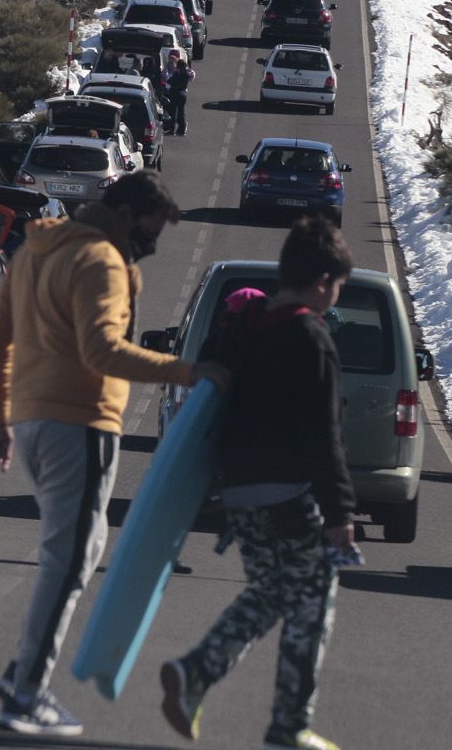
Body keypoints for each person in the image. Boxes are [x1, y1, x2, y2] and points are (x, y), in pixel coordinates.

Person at [0, 172, 227, 737]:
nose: (153, 245)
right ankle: (28, 693)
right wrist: (189, 371)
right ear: (129, 212)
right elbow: (101, 350)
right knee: (69, 561)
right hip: (81, 422)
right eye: (152, 230)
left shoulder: (37, 249)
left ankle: (24, 670)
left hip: (34, 419)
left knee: (71, 556)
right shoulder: (103, 262)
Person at [159, 215, 360, 750]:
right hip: (290, 493)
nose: (331, 299)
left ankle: (201, 677)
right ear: (322, 282)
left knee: (274, 591)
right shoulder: (309, 336)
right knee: (313, 598)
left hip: (240, 491)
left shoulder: (244, 326)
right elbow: (323, 434)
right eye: (335, 288)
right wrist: (340, 515)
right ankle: (282, 724)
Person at [165, 52, 195, 137]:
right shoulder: (186, 74)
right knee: (181, 112)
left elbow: (169, 81)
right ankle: (182, 129)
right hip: (183, 94)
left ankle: (172, 130)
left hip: (175, 94)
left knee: (173, 112)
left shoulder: (177, 74)